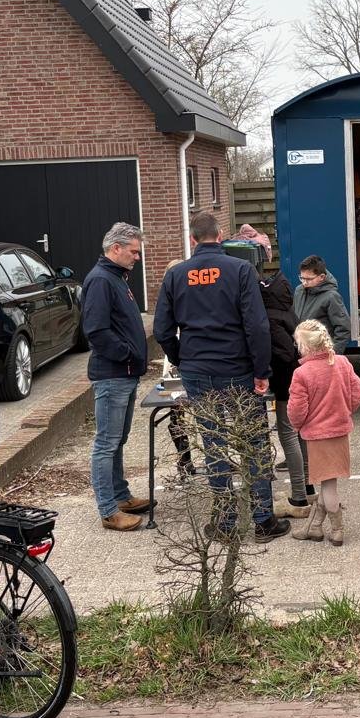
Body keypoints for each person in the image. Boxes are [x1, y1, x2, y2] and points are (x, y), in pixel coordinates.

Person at [155, 212, 286, 541]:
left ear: (192, 240)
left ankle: (226, 523)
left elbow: (162, 330)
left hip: (199, 372)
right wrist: (261, 371)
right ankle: (263, 520)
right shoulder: (240, 270)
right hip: (238, 369)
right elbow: (257, 325)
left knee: (214, 445)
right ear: (222, 236)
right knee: (254, 443)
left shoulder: (176, 275)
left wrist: (181, 359)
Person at [82, 222, 153, 533]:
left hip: (125, 374)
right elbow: (96, 331)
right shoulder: (100, 281)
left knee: (118, 440)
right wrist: (127, 353)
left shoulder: (117, 278)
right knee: (106, 442)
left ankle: (121, 495)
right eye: (134, 252)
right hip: (112, 375)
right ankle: (109, 510)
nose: (137, 257)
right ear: (116, 249)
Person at [286, 319, 360, 546]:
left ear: (306, 346)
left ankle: (337, 529)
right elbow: (357, 392)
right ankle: (314, 528)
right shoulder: (341, 362)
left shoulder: (302, 373)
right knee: (327, 481)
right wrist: (345, 411)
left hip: (317, 436)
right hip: (340, 431)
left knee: (328, 485)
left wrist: (297, 425)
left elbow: (297, 409)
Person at [260, 271, 309, 519]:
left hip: (286, 383)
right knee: (300, 434)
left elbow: (282, 354)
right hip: (297, 378)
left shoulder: (269, 317)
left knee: (288, 434)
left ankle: (298, 498)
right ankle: (307, 488)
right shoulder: (287, 310)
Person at [294, 255, 352, 351]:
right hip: (302, 350)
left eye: (309, 279)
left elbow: (343, 329)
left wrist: (332, 354)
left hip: (322, 354)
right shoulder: (299, 291)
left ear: (322, 277)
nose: (304, 282)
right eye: (302, 278)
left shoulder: (331, 297)